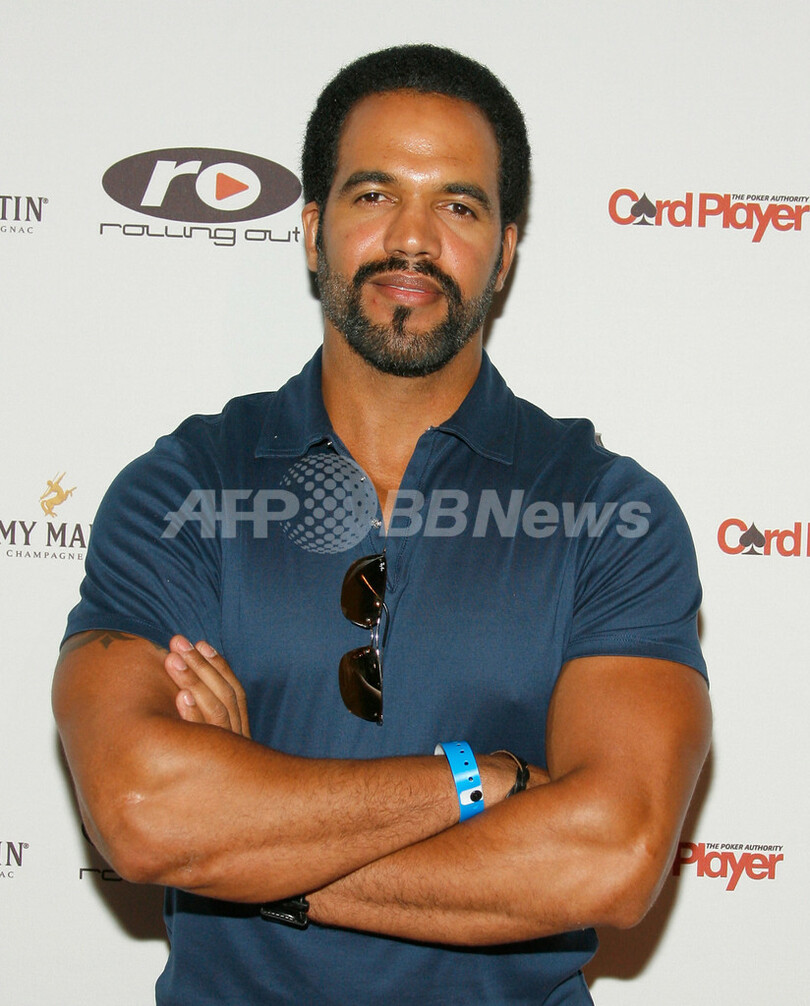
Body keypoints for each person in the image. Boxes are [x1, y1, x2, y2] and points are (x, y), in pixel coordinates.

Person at [52, 44, 711, 1006]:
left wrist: (252, 848)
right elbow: (147, 812)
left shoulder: (613, 512)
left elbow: (608, 856)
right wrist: (478, 780)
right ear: (313, 230)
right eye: (374, 195)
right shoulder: (182, 489)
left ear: (505, 251)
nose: (413, 239)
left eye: (458, 206)